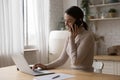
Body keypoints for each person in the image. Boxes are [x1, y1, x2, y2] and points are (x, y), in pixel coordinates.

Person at [33, 6, 95, 72]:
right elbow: (61, 60)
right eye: (65, 21)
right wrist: (46, 66)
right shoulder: (70, 36)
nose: (66, 24)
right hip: (74, 74)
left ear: (78, 21)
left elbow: (75, 62)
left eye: (69, 21)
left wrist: (72, 39)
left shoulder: (87, 36)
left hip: (86, 75)